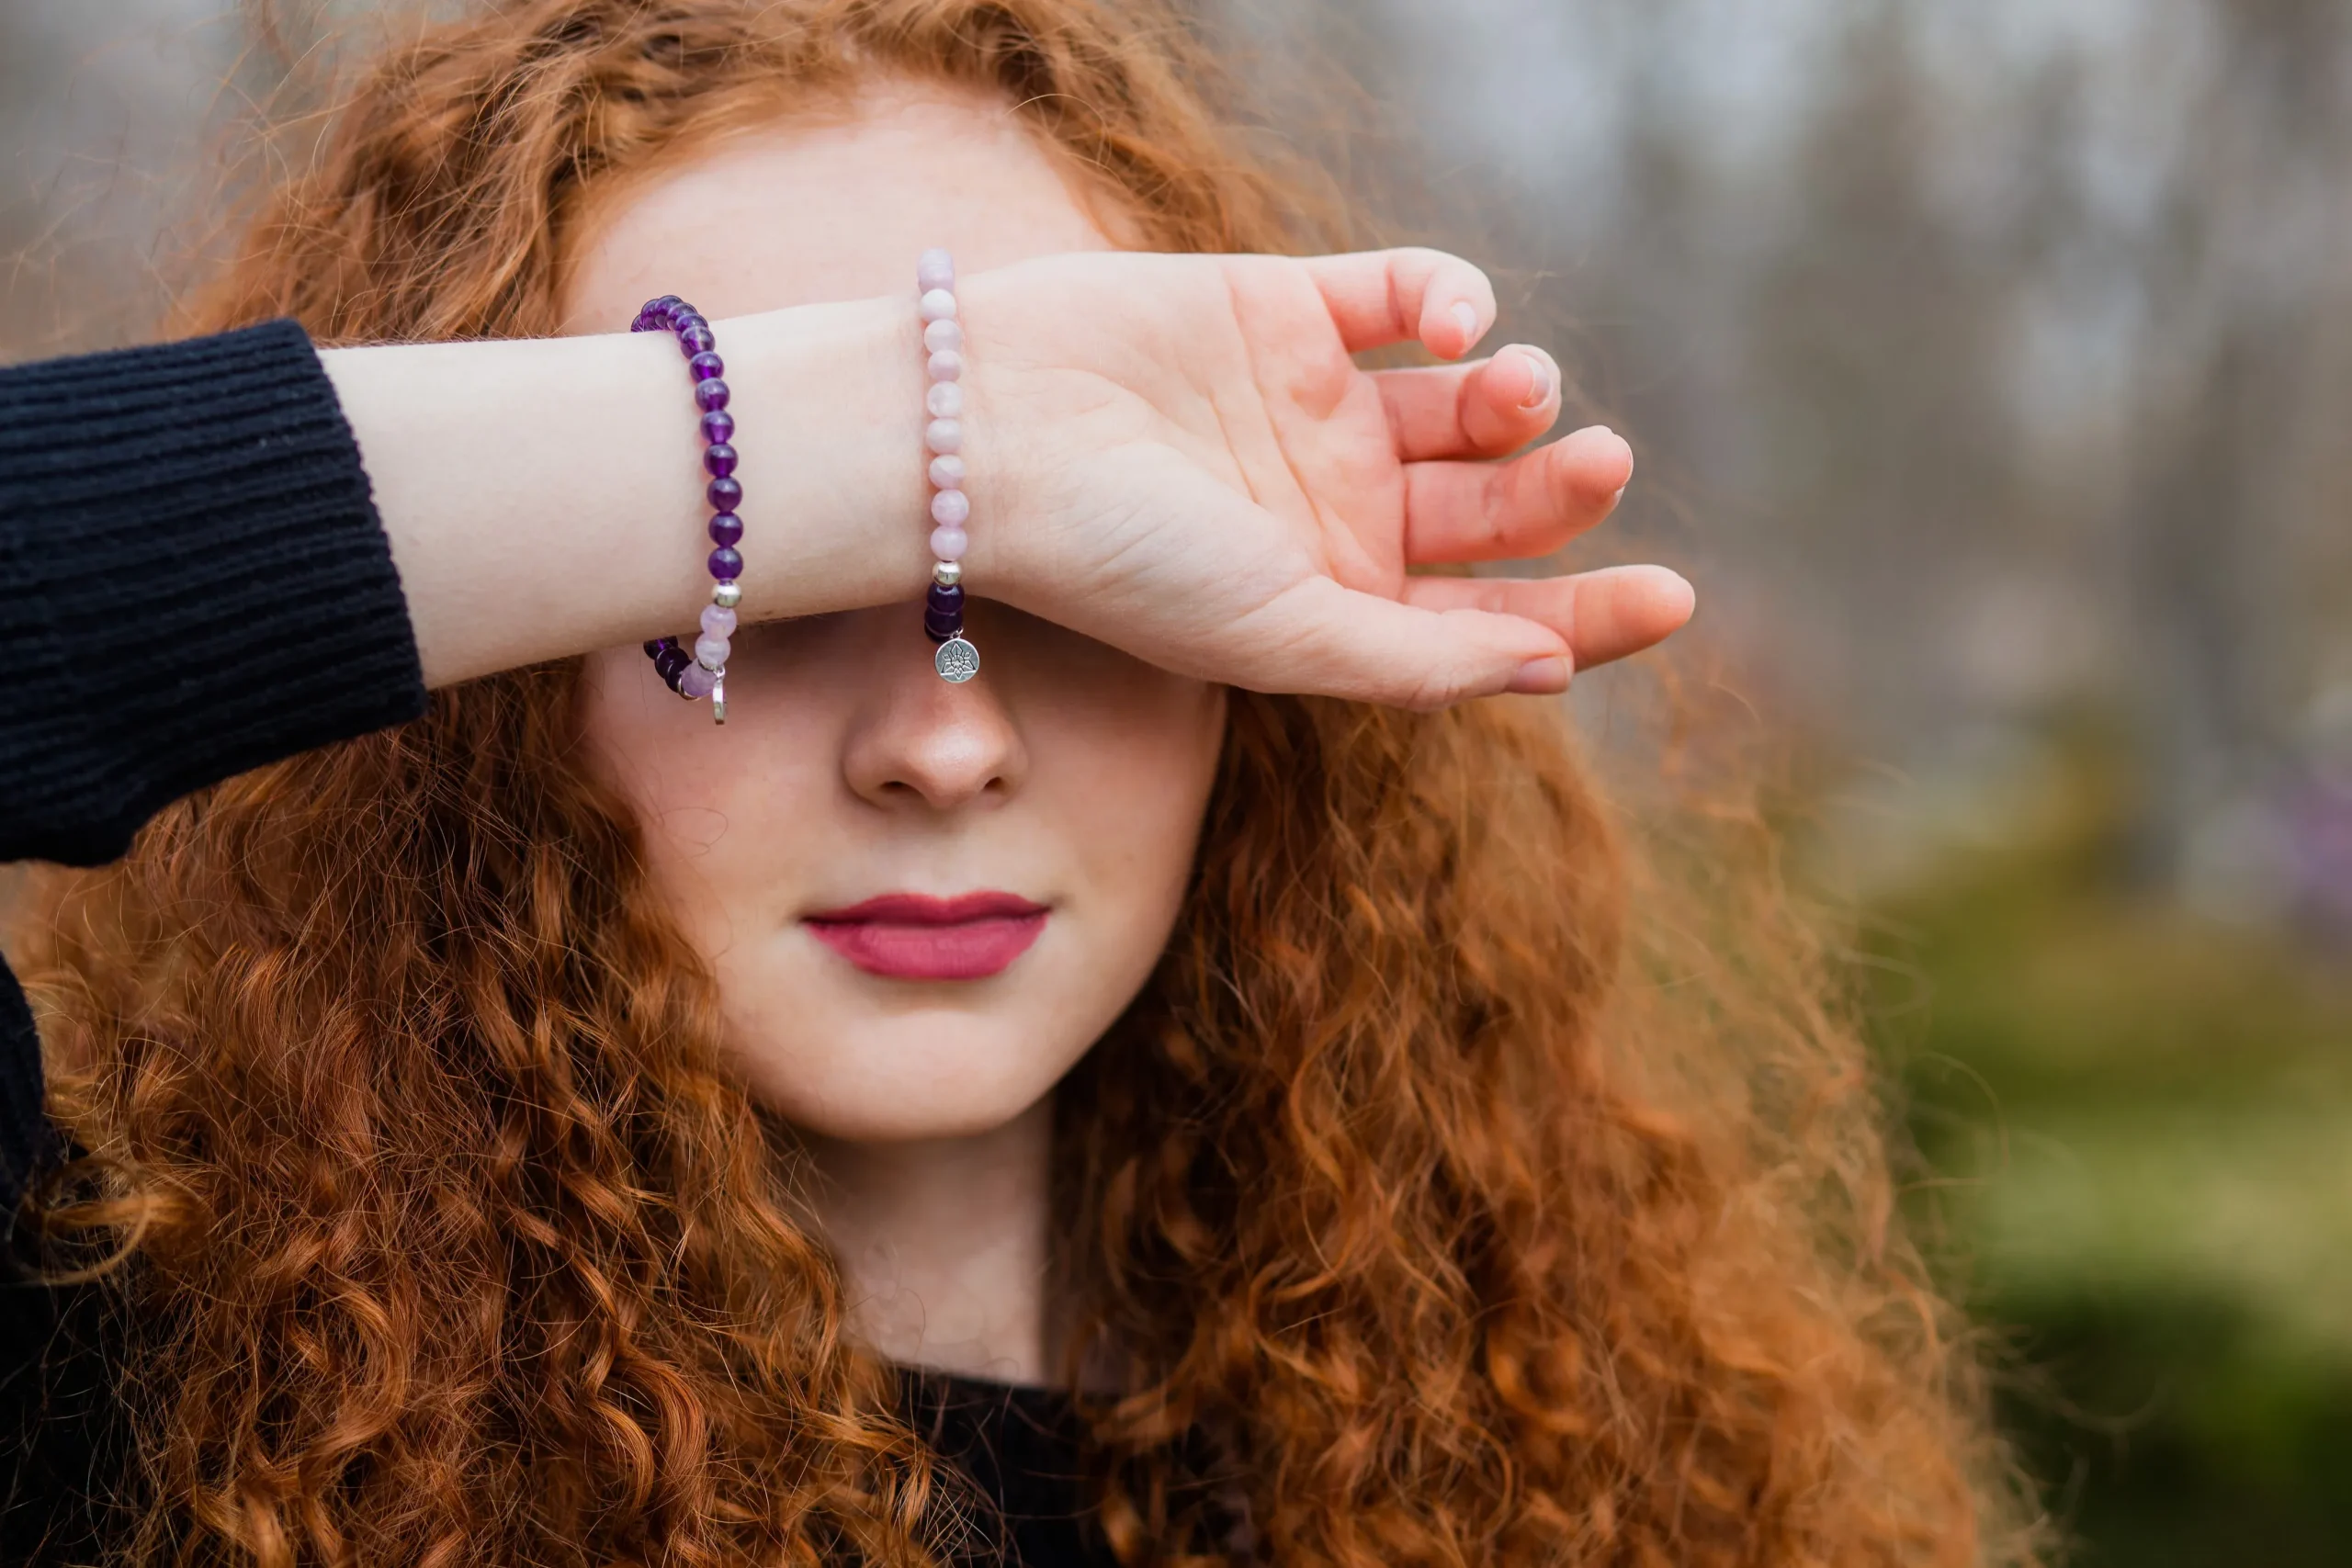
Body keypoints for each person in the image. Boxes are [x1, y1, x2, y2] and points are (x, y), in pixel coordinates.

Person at [0, 2, 2031, 1565]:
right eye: (756, 586)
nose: (941, 741)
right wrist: (836, 432)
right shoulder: (126, 1427)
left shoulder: (1594, 1467)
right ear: (468, 657)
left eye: (1065, 577)